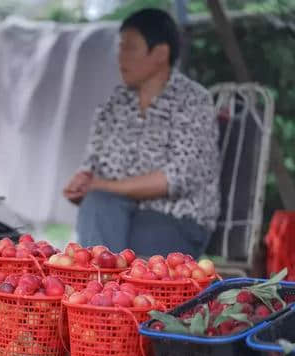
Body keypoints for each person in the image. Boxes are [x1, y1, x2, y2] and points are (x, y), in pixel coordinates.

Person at [63, 8, 220, 258]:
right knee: (95, 205)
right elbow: (92, 167)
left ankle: (108, 287)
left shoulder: (193, 101)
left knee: (134, 243)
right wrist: (82, 184)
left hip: (175, 219)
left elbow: (176, 178)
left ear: (160, 53)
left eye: (130, 48)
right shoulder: (114, 104)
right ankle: (99, 291)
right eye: (120, 47)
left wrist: (103, 185)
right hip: (118, 215)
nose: (120, 57)